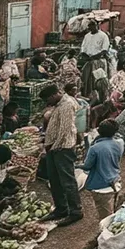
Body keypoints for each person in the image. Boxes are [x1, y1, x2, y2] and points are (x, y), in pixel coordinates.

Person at [40, 84, 83, 226]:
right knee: (55, 180)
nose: (47, 103)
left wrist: (53, 147)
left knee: (67, 181)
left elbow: (64, 131)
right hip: (54, 148)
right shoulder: (59, 104)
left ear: (53, 95)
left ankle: (75, 211)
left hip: (62, 148)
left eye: (47, 100)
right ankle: (61, 208)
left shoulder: (66, 105)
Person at [84, 120, 124, 220]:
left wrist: (76, 166)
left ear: (99, 131)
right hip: (115, 181)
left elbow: (87, 166)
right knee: (114, 212)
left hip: (101, 187)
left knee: (106, 219)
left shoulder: (94, 148)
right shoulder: (119, 144)